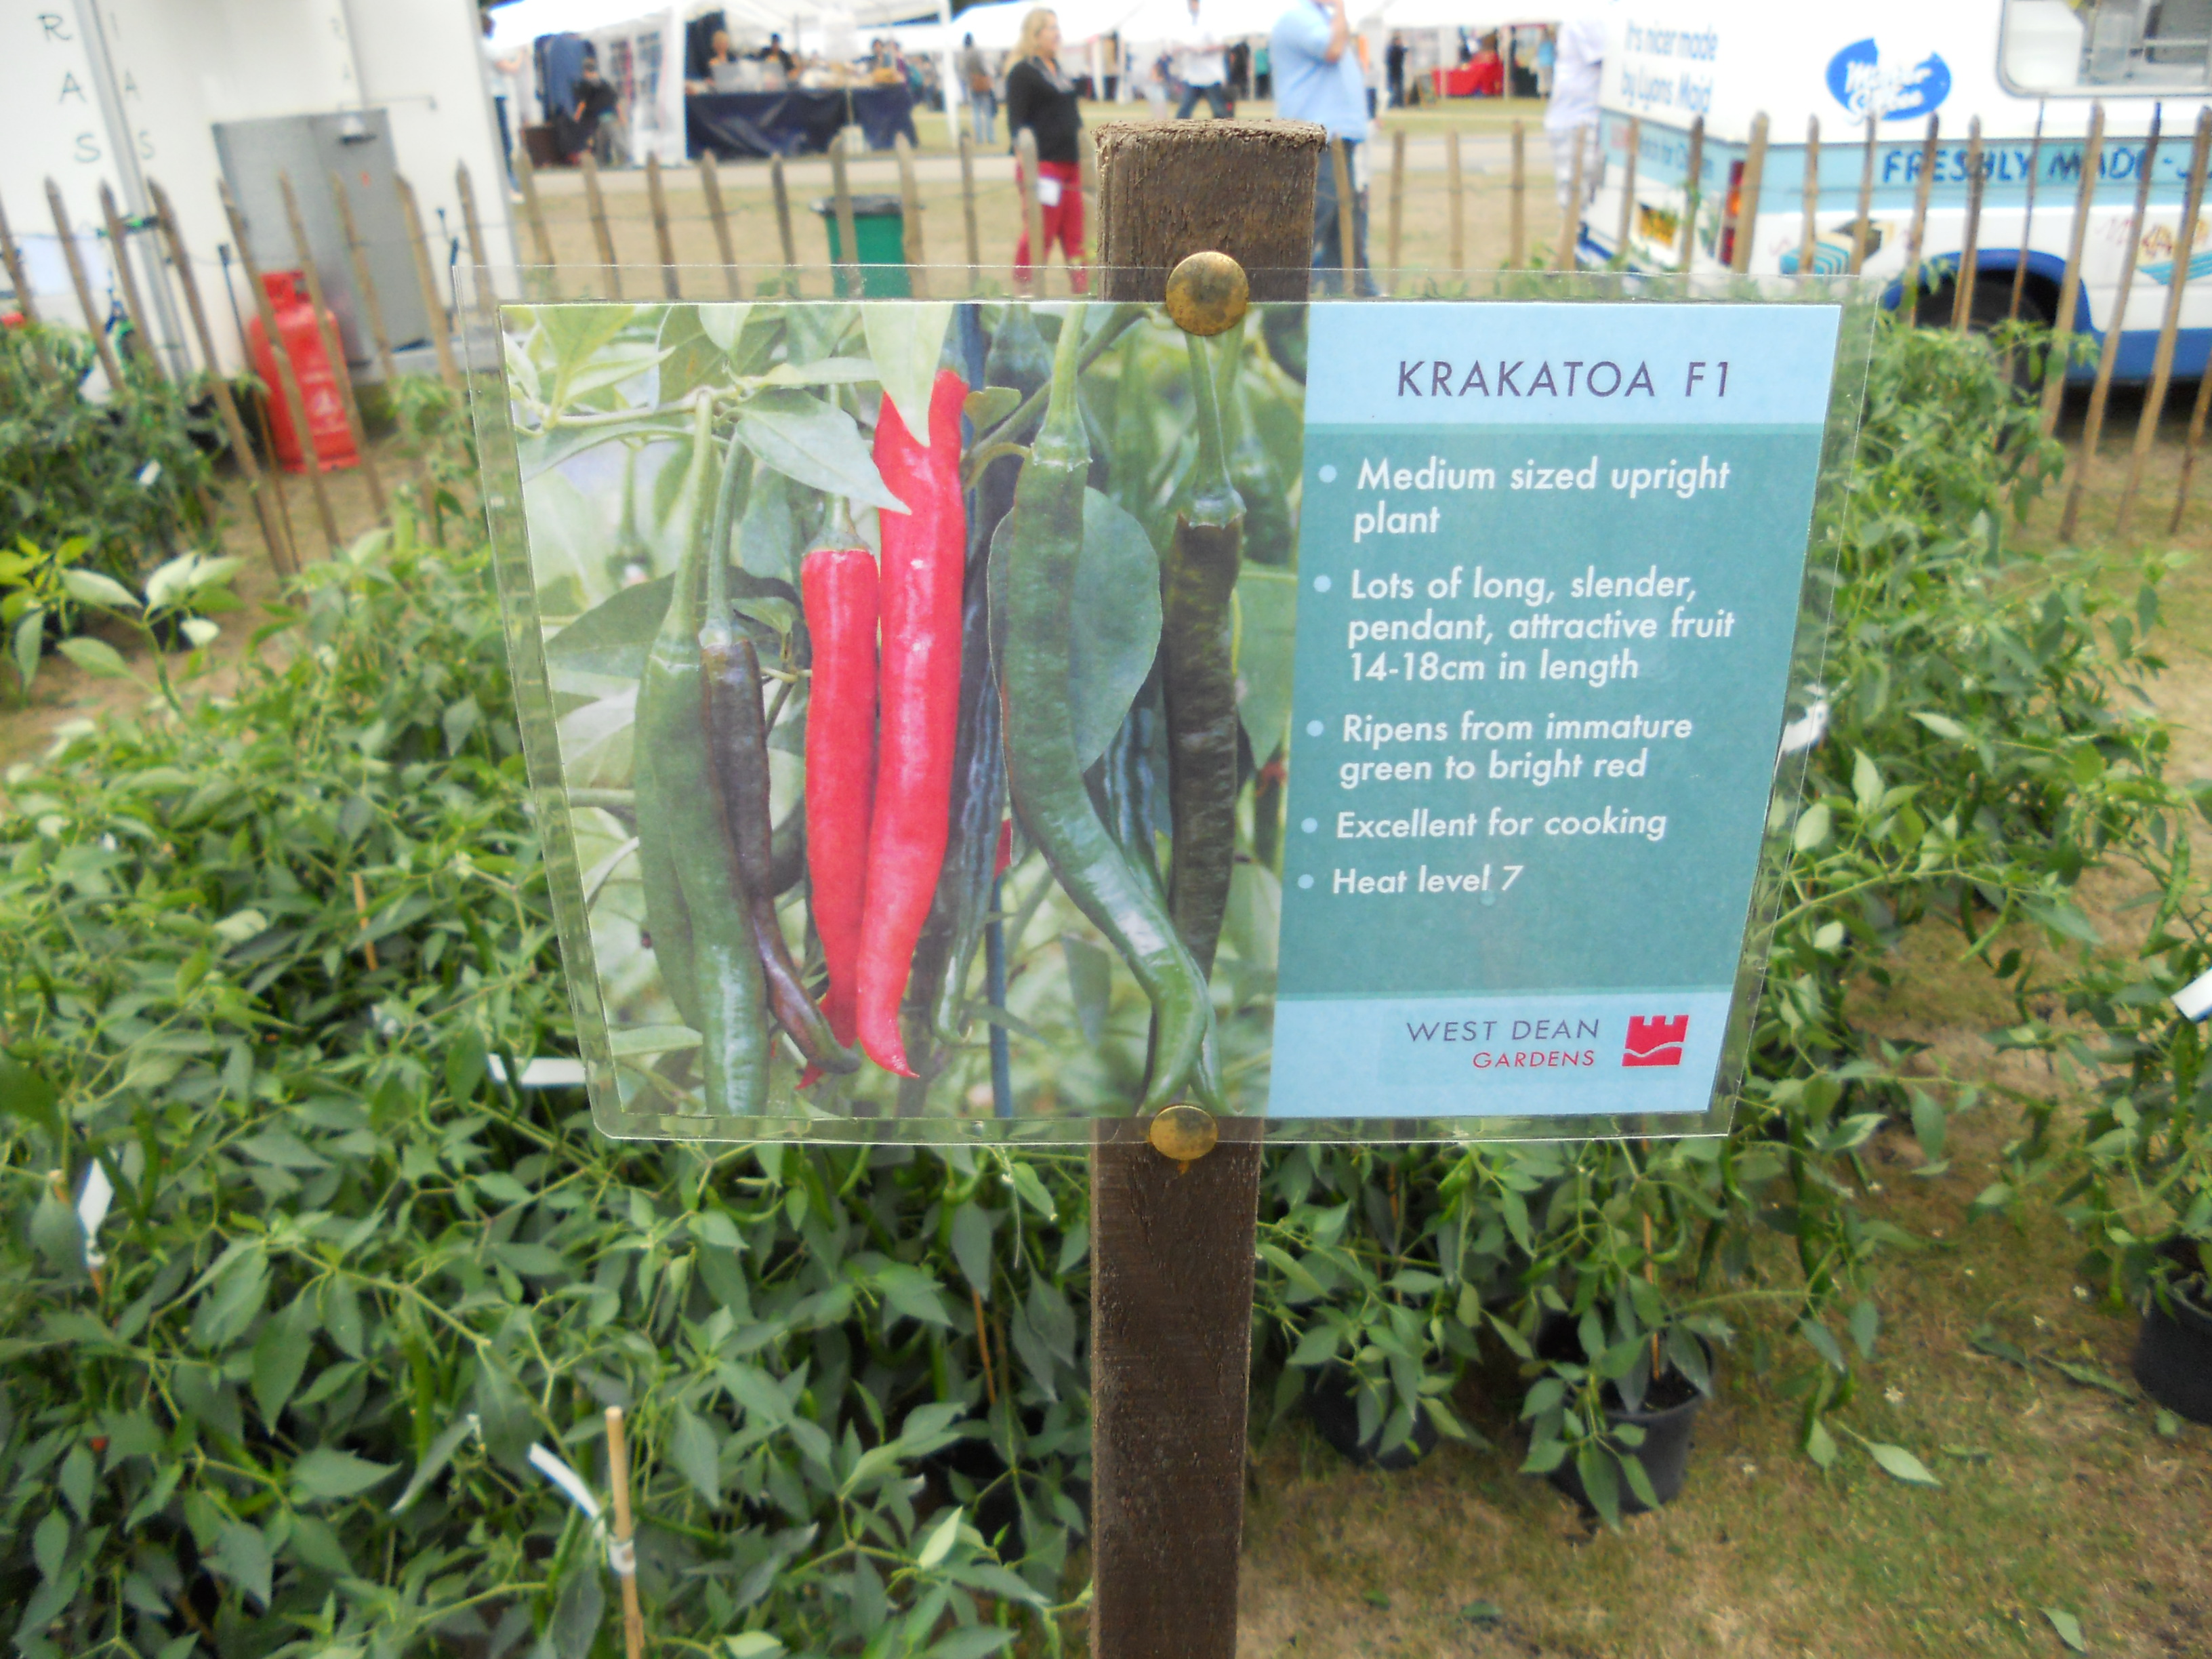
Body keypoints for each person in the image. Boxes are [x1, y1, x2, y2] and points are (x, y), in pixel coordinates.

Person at [1271, 0, 1373, 293]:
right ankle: (1281, 286)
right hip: (1317, 135)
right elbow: (1333, 49)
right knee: (1320, 209)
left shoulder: (1320, 20)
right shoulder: (1297, 18)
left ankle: (1350, 287)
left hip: (1337, 135)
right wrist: (1340, 7)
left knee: (1345, 214)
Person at [1005, 8, 1088, 293]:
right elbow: (1016, 122)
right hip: (1044, 165)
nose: (1057, 34)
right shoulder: (1023, 72)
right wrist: (1026, 171)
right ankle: (1025, 289)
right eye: (1051, 28)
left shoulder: (1058, 69)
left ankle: (1085, 292)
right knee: (1042, 230)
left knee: (1076, 234)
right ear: (1035, 34)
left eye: (1057, 28)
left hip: (1071, 163)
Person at [1544, 15, 1605, 225]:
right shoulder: (1586, 13)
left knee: (1583, 203)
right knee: (1575, 205)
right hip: (1576, 120)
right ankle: (1572, 244)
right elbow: (1608, 57)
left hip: (1582, 117)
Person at [479, 14, 524, 182]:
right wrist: (521, 57)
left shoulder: (474, 46)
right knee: (503, 139)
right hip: (496, 94)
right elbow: (510, 69)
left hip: (484, 95)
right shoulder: (489, 47)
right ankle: (509, 178)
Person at [556, 54, 621, 164]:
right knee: (611, 141)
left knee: (599, 143)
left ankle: (602, 162)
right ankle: (613, 161)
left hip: (595, 119)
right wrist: (621, 118)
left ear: (585, 71)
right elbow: (615, 101)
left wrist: (577, 117)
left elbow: (583, 103)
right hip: (610, 117)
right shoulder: (604, 83)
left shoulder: (585, 85)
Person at [1172, 0, 1232, 119]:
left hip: (1210, 75)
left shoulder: (1209, 22)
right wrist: (1183, 49)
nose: (1192, 7)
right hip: (1192, 76)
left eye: (1194, 4)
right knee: (1183, 112)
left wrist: (1202, 50)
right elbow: (1177, 47)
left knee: (1219, 111)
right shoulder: (1186, 25)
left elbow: (1221, 45)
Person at [960, 33, 997, 144]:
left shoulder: (963, 55)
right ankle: (991, 138)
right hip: (982, 83)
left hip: (972, 84)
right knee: (987, 112)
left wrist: (969, 81)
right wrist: (988, 77)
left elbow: (963, 72)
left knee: (976, 112)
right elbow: (984, 67)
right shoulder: (977, 52)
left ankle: (979, 138)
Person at [1385, 32, 1407, 108]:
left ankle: (1396, 104)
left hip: (1395, 71)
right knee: (1394, 89)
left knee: (1397, 89)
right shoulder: (1395, 49)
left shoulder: (1392, 49)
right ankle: (1393, 104)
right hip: (1394, 71)